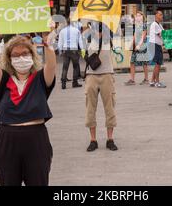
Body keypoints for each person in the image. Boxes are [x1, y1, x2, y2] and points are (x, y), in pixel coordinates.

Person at [0, 25, 56, 186]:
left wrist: (47, 41)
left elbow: (51, 66)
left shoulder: (40, 79)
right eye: (15, 55)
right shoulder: (3, 80)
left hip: (36, 138)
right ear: (9, 59)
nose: (21, 58)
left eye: (25, 53)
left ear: (32, 55)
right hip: (7, 139)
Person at [85, 22, 118, 152]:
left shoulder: (108, 34)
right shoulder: (87, 36)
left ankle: (110, 139)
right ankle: (93, 140)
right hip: (91, 75)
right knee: (90, 108)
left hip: (107, 74)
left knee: (109, 106)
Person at [58, 18, 84, 89]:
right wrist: (82, 50)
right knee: (75, 67)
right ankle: (74, 83)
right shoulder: (76, 31)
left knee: (65, 67)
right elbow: (80, 41)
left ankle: (63, 84)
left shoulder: (62, 31)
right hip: (74, 50)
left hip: (65, 50)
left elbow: (60, 42)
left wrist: (60, 51)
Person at [124, 11, 149, 86]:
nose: (137, 17)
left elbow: (143, 36)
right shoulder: (137, 25)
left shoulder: (144, 25)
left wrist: (139, 45)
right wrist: (132, 44)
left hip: (142, 46)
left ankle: (146, 79)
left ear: (142, 16)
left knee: (144, 63)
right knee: (132, 62)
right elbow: (134, 35)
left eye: (139, 15)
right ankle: (132, 80)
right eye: (137, 15)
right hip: (136, 46)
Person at [149, 10, 166, 88]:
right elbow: (161, 34)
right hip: (155, 45)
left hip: (157, 45)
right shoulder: (154, 24)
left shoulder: (159, 24)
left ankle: (152, 81)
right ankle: (157, 82)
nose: (161, 16)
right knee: (158, 64)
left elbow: (163, 34)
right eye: (160, 14)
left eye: (162, 14)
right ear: (156, 16)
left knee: (157, 64)